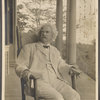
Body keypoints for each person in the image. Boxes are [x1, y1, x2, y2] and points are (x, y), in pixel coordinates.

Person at [15, 23, 81, 100]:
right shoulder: (28, 48)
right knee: (57, 98)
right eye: (42, 32)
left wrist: (70, 68)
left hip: (55, 80)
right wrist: (25, 71)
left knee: (74, 96)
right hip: (38, 81)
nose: (44, 34)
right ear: (39, 34)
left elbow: (61, 64)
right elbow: (20, 64)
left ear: (52, 35)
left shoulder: (55, 50)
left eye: (47, 32)